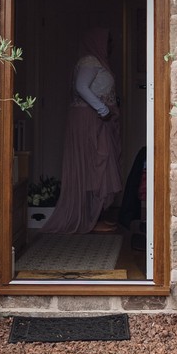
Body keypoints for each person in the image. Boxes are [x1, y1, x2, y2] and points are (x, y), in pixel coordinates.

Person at [43, 27, 122, 235]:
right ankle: (88, 218)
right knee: (92, 164)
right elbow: (81, 87)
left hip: (97, 120)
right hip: (89, 120)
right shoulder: (89, 61)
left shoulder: (98, 62)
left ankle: (96, 215)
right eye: (108, 42)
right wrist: (102, 108)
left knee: (100, 163)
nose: (111, 47)